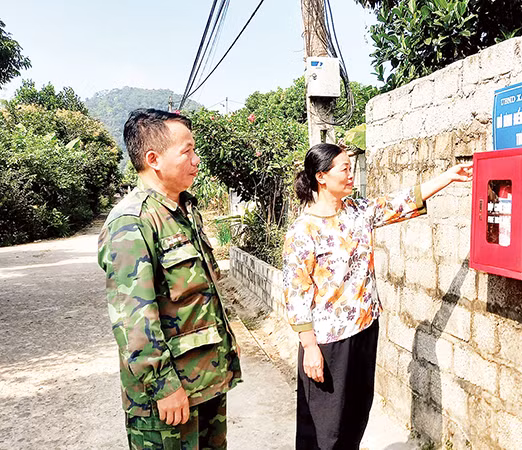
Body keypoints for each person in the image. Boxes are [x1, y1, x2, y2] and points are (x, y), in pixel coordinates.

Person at [282, 143, 473, 449]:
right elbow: (296, 292)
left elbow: (401, 202)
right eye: (344, 169)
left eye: (351, 168)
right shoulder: (303, 230)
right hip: (328, 342)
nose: (351, 175)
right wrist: (309, 347)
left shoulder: (358, 212)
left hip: (365, 329)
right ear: (321, 176)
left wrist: (448, 177)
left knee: (356, 414)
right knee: (325, 427)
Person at [97, 109, 241, 450]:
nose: (196, 159)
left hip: (204, 383)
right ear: (153, 159)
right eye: (187, 151)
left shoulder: (182, 211)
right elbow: (133, 319)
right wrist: (163, 386)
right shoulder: (132, 221)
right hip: (167, 399)